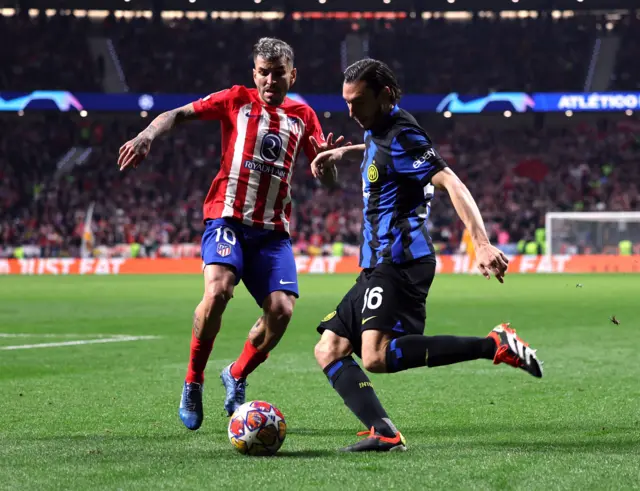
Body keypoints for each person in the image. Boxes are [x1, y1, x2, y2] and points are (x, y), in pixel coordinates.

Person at [310, 59, 543, 452]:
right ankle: (383, 431)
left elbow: (450, 180)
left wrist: (481, 243)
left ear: (385, 96)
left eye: (358, 102)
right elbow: (373, 150)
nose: (351, 112)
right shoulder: (377, 128)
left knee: (375, 356)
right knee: (329, 348)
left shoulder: (403, 134)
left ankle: (494, 344)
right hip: (376, 263)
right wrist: (341, 155)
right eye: (346, 103)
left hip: (400, 261)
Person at [118, 38, 345, 430]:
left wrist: (327, 171)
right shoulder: (235, 100)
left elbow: (326, 181)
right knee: (218, 290)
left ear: (293, 74)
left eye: (279, 73)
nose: (270, 80)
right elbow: (177, 114)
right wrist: (147, 135)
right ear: (254, 73)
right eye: (263, 72)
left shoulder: (304, 116)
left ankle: (237, 373)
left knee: (281, 311)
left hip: (273, 233)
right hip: (227, 220)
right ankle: (193, 380)